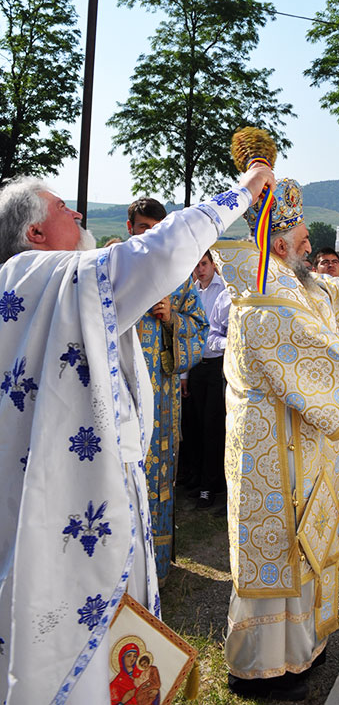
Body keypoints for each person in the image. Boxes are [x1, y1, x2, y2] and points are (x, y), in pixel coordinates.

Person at [0, 164, 272, 704]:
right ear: (33, 234)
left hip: (62, 488)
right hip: (71, 500)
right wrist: (241, 192)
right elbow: (158, 253)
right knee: (70, 639)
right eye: (62, 209)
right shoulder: (45, 276)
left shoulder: (36, 286)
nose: (79, 213)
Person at [220, 179, 339, 701]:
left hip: (303, 442)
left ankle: (300, 649)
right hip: (270, 451)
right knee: (279, 552)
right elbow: (315, 351)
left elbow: (332, 294)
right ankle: (263, 666)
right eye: (304, 238)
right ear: (279, 244)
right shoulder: (262, 293)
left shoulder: (292, 279)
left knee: (304, 547)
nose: (312, 245)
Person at [126, 198, 208, 575]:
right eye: (144, 228)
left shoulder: (179, 277)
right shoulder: (113, 271)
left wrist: (173, 318)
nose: (151, 235)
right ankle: (120, 571)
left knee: (157, 473)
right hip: (120, 393)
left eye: (157, 228)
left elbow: (201, 329)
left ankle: (156, 569)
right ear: (131, 229)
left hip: (160, 396)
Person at [187, 250, 228, 508]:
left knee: (213, 426)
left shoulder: (223, 291)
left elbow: (217, 332)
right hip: (194, 364)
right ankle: (197, 478)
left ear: (213, 265)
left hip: (217, 364)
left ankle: (210, 486)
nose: (200, 269)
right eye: (196, 265)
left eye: (204, 263)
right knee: (195, 425)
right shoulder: (191, 292)